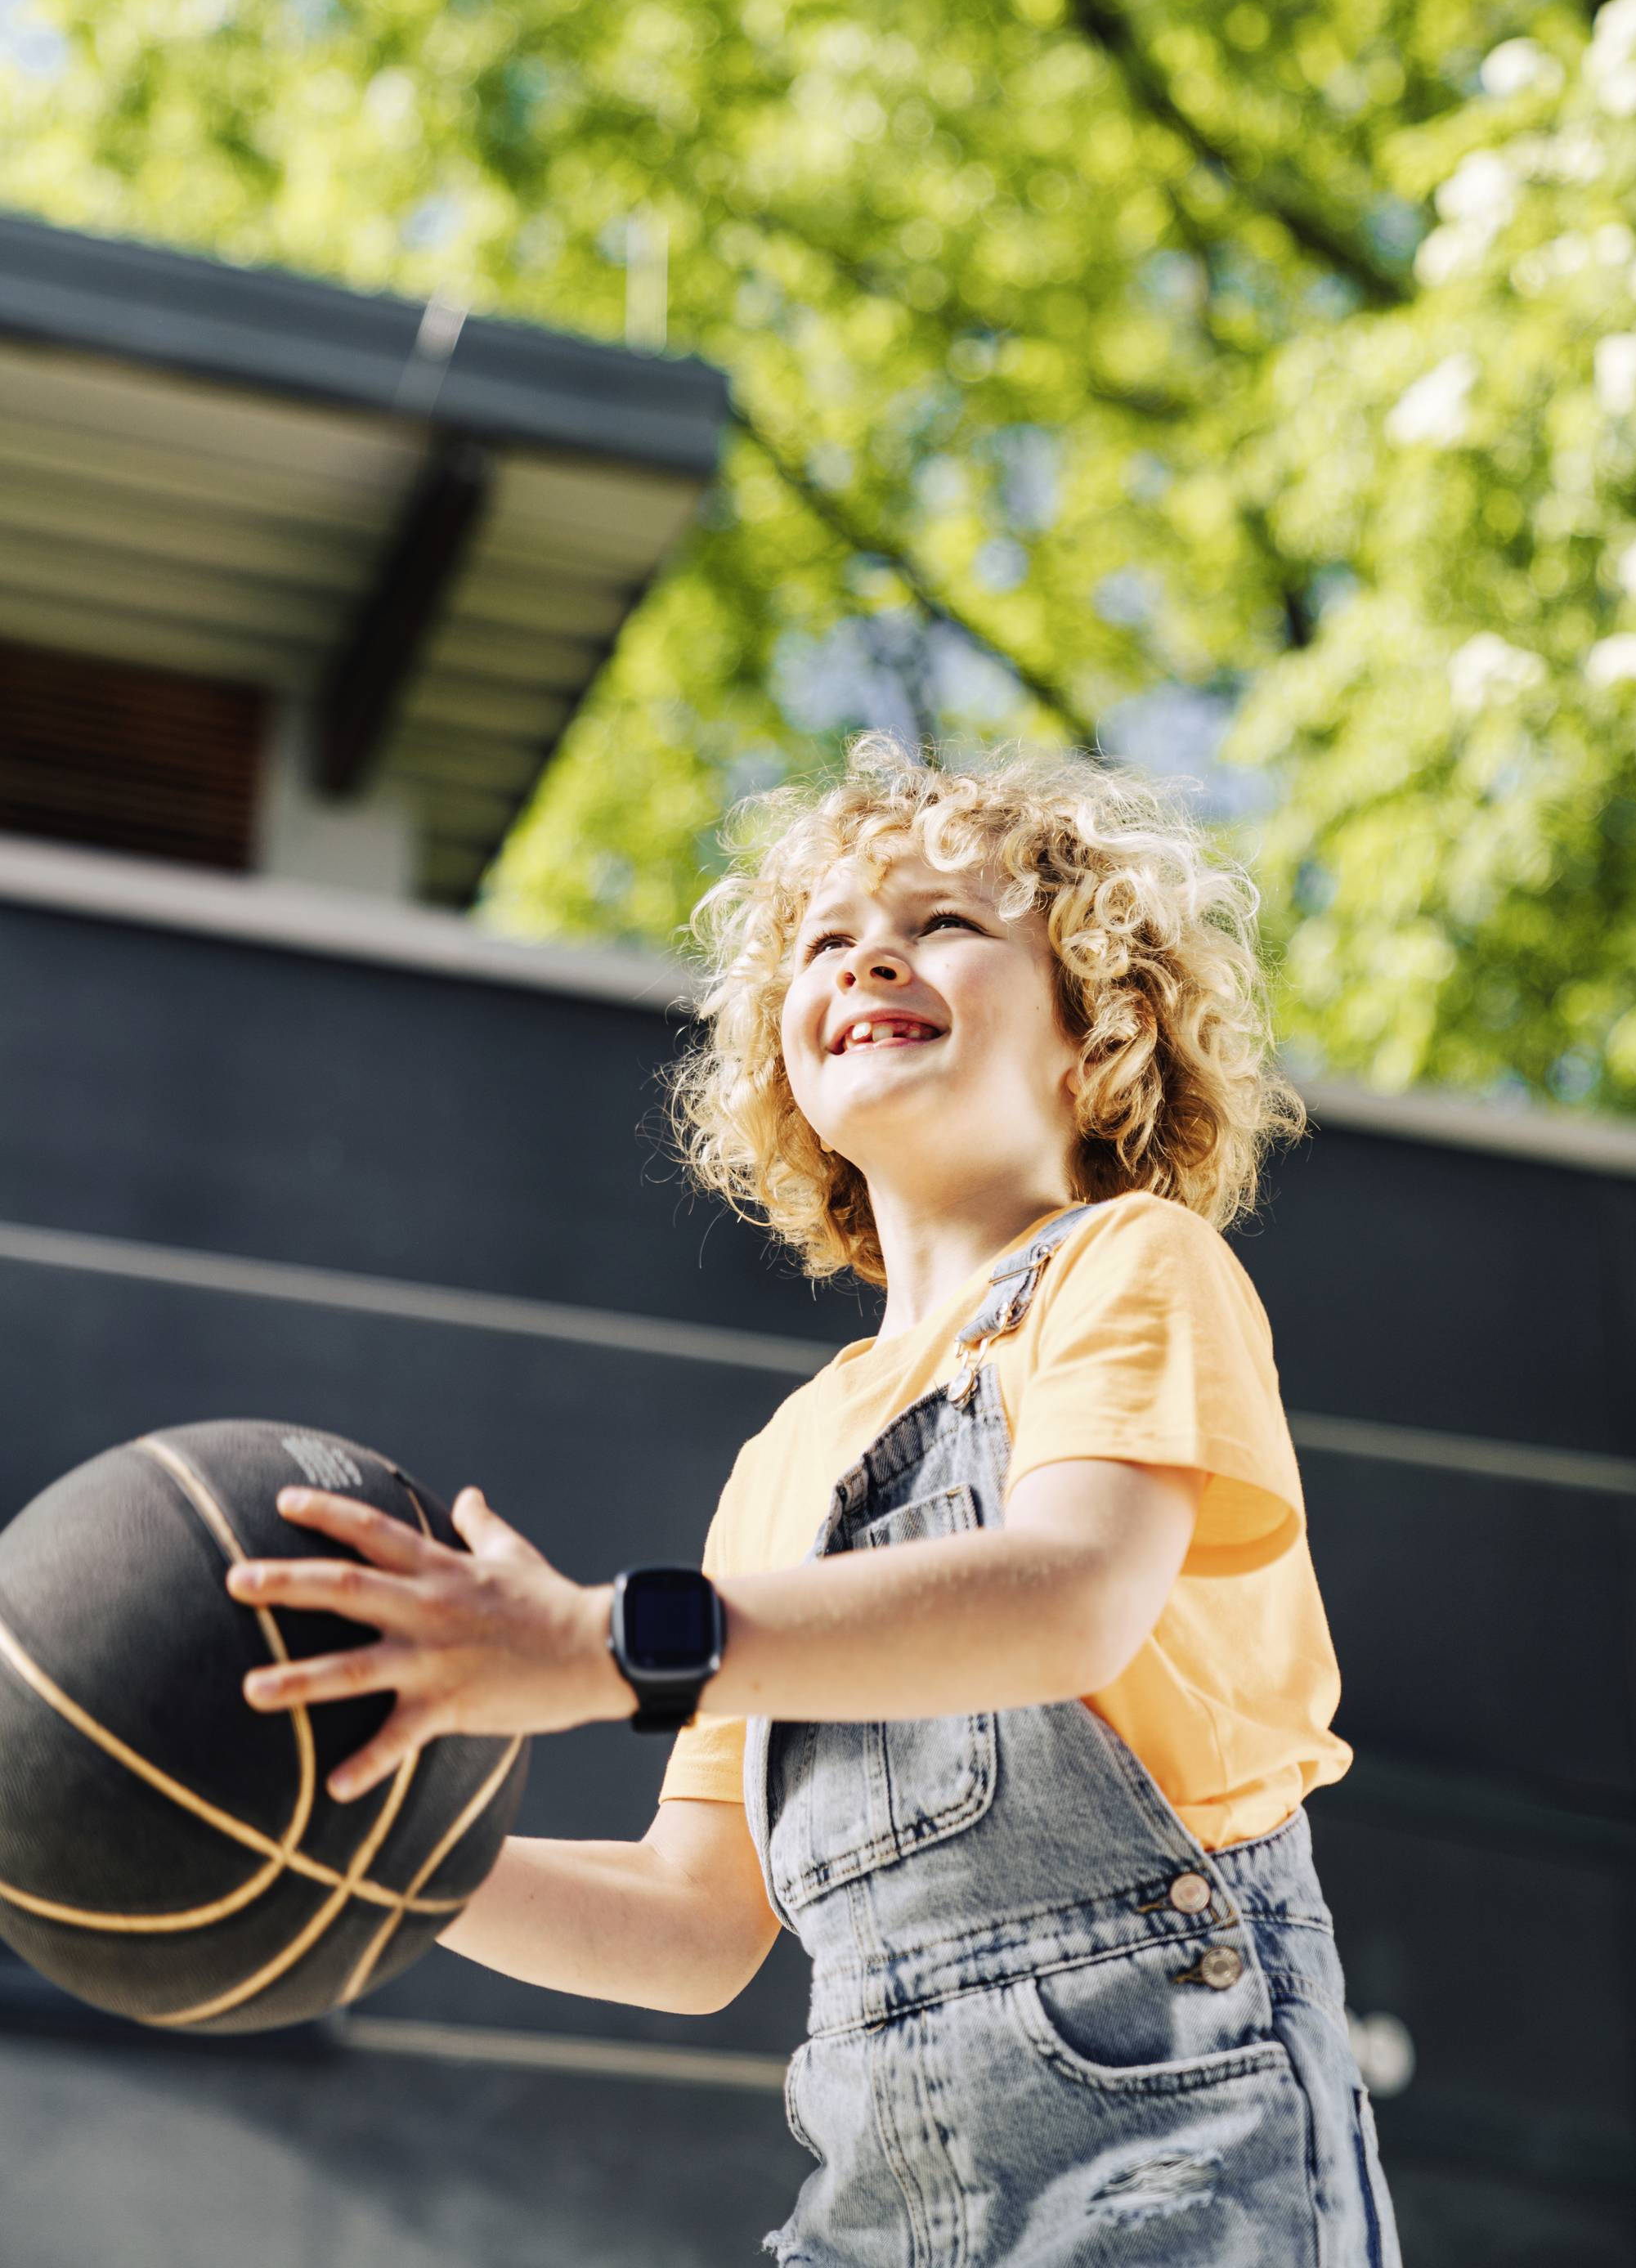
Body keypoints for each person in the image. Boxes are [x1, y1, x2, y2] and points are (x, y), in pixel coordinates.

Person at [226, 730, 1404, 2266]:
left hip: (1176, 2135)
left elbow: (1067, 1598)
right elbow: (691, 1922)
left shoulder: (1127, 1267)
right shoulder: (791, 1455)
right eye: (825, 942)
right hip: (884, 2191)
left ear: (1095, 1031)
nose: (868, 958)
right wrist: (374, 1869)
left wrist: (593, 1645)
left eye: (943, 923)